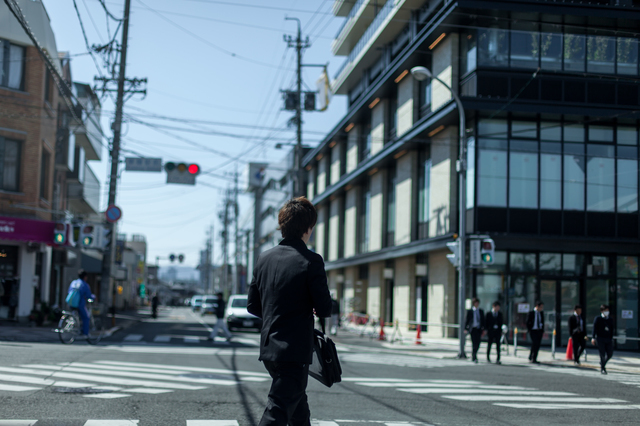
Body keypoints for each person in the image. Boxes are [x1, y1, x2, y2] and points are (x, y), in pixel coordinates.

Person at [247, 196, 332, 426]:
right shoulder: (311, 260)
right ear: (308, 227)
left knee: (298, 412)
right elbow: (325, 308)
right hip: (294, 351)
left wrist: (279, 311)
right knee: (278, 411)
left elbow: (253, 305)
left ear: (282, 226)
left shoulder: (264, 258)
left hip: (269, 349)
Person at [67, 270, 95, 337]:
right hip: (79, 304)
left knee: (74, 314)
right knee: (86, 318)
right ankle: (85, 333)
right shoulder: (84, 284)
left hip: (70, 302)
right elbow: (89, 296)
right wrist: (94, 297)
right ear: (85, 277)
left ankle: (72, 324)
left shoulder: (74, 282)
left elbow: (69, 291)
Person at [592, 304, 614, 375]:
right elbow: (594, 328)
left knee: (610, 354)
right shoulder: (598, 318)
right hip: (600, 338)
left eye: (607, 310)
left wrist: (611, 337)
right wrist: (593, 337)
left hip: (608, 339)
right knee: (602, 353)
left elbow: (612, 329)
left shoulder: (610, 319)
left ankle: (602, 363)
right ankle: (603, 368)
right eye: (605, 310)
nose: (607, 312)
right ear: (601, 311)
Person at [465, 298, 485, 363]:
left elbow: (483, 320)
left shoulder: (481, 311)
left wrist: (484, 329)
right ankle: (474, 356)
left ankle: (474, 353)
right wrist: (465, 328)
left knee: (478, 343)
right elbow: (467, 320)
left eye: (477, 303)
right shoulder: (470, 311)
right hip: (473, 329)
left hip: (479, 329)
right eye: (475, 303)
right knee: (474, 343)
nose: (477, 304)